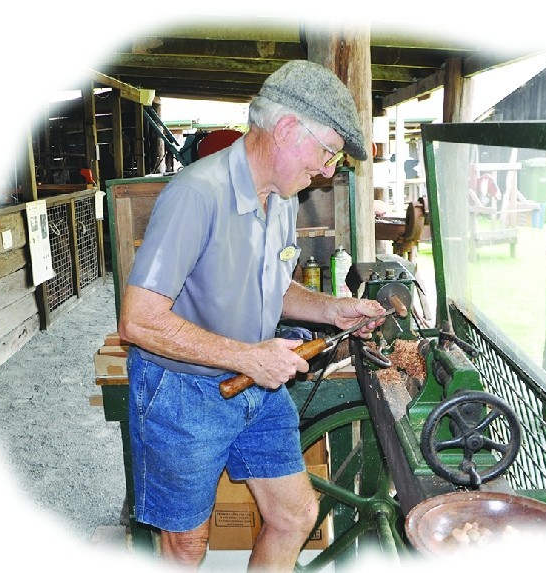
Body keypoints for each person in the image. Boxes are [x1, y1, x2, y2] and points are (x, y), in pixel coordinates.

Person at [118, 59, 388, 571]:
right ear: (286, 129)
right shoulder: (197, 194)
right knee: (186, 546)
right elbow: (139, 320)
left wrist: (333, 310)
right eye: (328, 151)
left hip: (256, 385)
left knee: (295, 515)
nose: (328, 170)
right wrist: (249, 356)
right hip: (183, 393)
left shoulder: (281, 197)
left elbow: (272, 286)